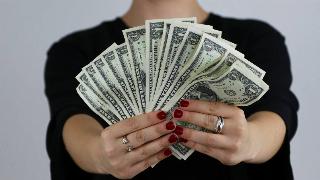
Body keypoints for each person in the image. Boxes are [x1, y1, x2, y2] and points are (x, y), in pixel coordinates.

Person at [44, 0, 299, 179]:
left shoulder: (258, 38)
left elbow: (276, 112)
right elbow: (71, 122)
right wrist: (98, 153)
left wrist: (250, 141)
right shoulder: (72, 51)